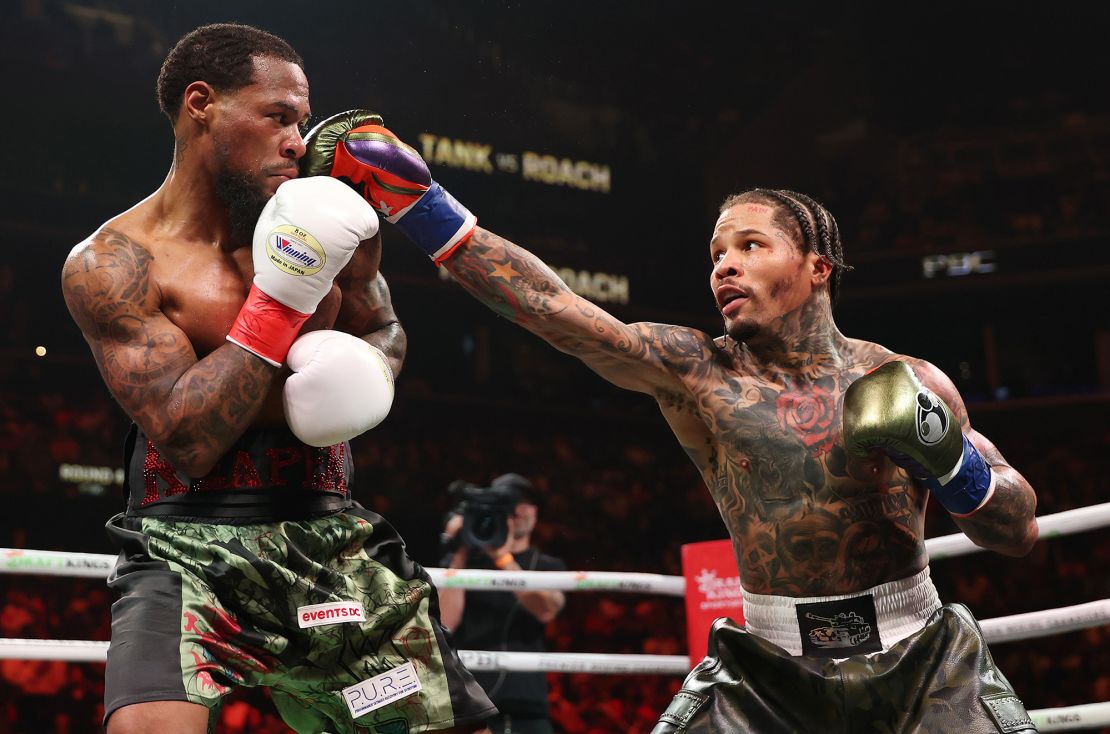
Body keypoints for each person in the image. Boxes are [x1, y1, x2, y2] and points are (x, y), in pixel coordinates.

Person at [300, 111, 1042, 733]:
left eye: (751, 246)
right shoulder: (698, 373)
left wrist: (952, 462)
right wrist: (419, 203)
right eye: (717, 251)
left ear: (819, 266)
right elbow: (559, 311)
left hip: (919, 652)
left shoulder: (905, 381)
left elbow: (1016, 529)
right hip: (766, 666)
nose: (724, 265)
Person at [60, 26, 495, 734]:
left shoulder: (324, 219)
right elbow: (187, 436)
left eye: (302, 118)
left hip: (327, 535)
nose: (299, 140)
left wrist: (364, 373)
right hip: (184, 544)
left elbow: (384, 329)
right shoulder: (115, 261)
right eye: (279, 116)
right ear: (201, 104)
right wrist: (283, 301)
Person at [439, 474, 567, 734]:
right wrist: (461, 548)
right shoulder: (463, 563)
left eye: (525, 502)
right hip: (472, 703)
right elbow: (444, 623)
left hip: (527, 705)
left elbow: (546, 610)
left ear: (535, 511)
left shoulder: (547, 566)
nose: (518, 510)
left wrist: (501, 555)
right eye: (509, 503)